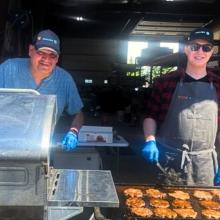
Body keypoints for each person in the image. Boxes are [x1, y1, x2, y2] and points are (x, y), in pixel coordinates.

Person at [141, 27, 220, 186]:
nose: (200, 52)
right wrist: (150, 140)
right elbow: (150, 116)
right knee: (164, 206)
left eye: (206, 48)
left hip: (205, 164)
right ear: (186, 49)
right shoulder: (166, 81)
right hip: (169, 160)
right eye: (194, 46)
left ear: (212, 52)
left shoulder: (218, 85)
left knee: (204, 208)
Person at [0, 29, 84, 151]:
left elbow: (78, 113)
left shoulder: (64, 80)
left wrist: (73, 131)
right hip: (3, 145)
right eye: (41, 53)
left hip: (40, 150)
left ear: (57, 58)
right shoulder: (8, 69)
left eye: (52, 55)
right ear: (30, 51)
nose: (46, 59)